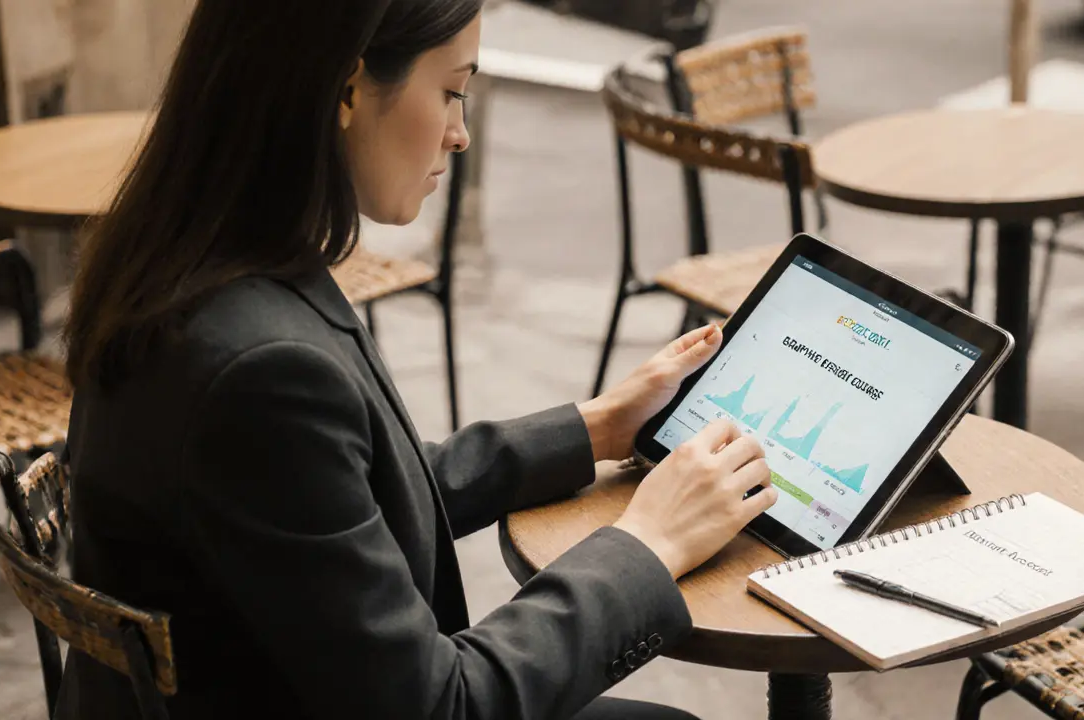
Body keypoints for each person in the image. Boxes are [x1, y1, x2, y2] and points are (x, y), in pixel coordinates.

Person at [56, 1, 778, 718]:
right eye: (453, 90)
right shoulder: (259, 369)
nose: (460, 133)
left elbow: (342, 501)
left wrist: (595, 427)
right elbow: (441, 707)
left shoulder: (193, 263)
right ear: (346, 89)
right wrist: (648, 541)